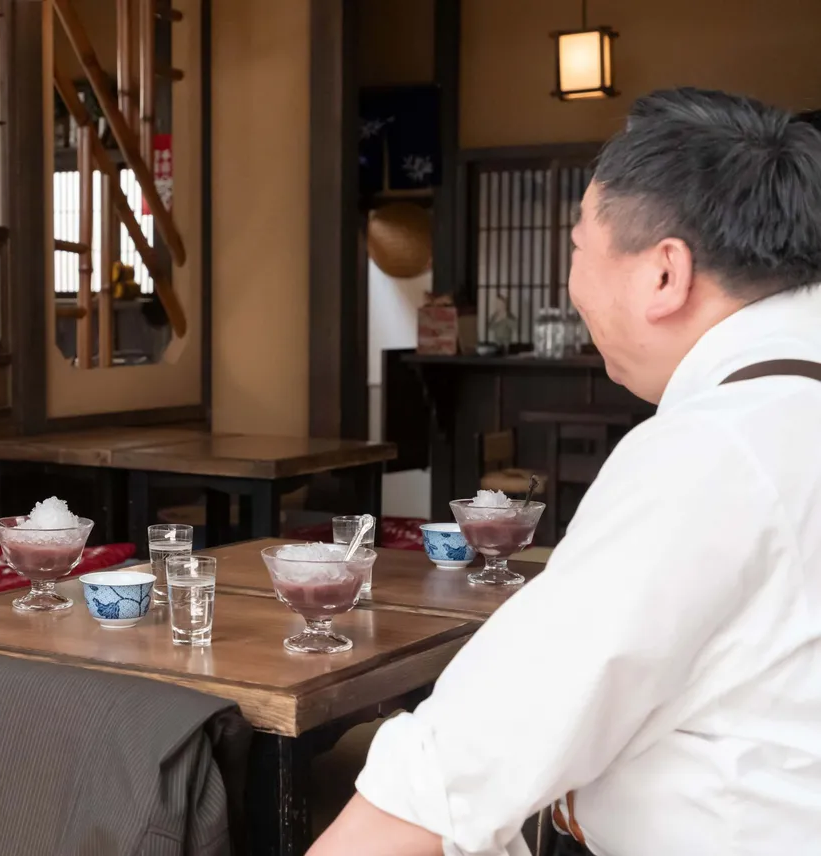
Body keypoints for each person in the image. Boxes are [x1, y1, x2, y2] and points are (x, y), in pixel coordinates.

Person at [310, 87, 821, 856]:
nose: (571, 280)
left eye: (578, 247)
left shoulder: (715, 451)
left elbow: (462, 760)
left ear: (664, 275)